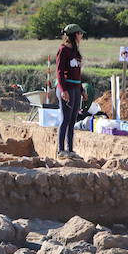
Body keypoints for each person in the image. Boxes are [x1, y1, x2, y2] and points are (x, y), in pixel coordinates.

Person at [55, 23, 87, 155]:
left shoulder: (75, 51)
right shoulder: (63, 50)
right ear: (74, 35)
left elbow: (77, 73)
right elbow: (60, 72)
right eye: (80, 33)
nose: (81, 36)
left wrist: (81, 90)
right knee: (65, 119)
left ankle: (70, 149)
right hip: (66, 88)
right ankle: (61, 150)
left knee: (73, 120)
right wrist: (63, 90)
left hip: (75, 88)